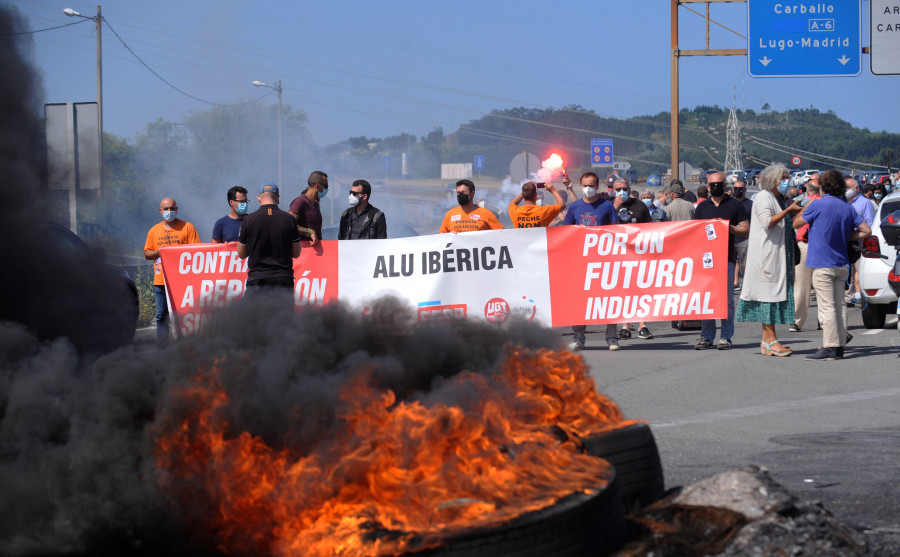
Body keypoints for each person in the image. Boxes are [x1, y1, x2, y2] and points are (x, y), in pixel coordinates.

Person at [792, 170, 871, 361]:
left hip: (822, 262)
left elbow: (796, 223)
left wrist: (808, 204)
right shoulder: (847, 207)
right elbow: (865, 230)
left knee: (826, 307)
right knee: (838, 305)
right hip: (841, 262)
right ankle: (839, 345)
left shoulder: (818, 205)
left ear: (823, 187)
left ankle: (830, 346)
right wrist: (846, 236)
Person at [737, 165, 803, 356]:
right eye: (783, 177)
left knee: (773, 295)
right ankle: (772, 340)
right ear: (773, 180)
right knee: (769, 297)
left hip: (777, 254)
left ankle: (767, 341)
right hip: (767, 256)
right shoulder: (765, 197)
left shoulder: (778, 198)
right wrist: (788, 210)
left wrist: (794, 212)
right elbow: (767, 222)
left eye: (788, 176)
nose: (787, 180)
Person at [692, 172, 750, 350]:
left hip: (726, 259)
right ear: (708, 187)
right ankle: (706, 336)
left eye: (719, 183)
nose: (716, 187)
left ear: (725, 186)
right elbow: (693, 232)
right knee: (706, 299)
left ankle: (726, 336)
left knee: (727, 300)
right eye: (712, 184)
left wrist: (728, 227)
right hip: (706, 260)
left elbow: (745, 229)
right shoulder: (701, 208)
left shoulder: (735, 205)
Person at [564, 172, 620, 351]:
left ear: (597, 186)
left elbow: (617, 232)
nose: (588, 188)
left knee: (608, 300)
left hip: (604, 262)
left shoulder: (607, 206)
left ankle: (612, 338)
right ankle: (579, 338)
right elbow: (565, 233)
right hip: (580, 263)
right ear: (581, 186)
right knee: (579, 301)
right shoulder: (574, 207)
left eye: (592, 185)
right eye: (585, 185)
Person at [143, 197, 201, 346]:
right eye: (166, 209)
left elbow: (198, 251)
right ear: (160, 211)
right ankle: (163, 349)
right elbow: (147, 253)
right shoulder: (154, 231)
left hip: (183, 281)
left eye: (172, 208)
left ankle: (186, 345)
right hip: (161, 281)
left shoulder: (187, 227)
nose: (169, 212)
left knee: (185, 315)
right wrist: (160, 252)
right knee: (161, 316)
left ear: (177, 209)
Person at [237, 182, 301, 303]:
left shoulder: (248, 220)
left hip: (257, 279)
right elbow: (296, 253)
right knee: (283, 320)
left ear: (259, 198)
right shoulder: (289, 219)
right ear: (278, 198)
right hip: (283, 279)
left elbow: (241, 254)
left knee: (255, 320)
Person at [612, 178, 654, 340]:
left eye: (624, 189)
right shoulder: (609, 205)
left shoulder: (639, 205)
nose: (621, 192)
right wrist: (614, 207)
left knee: (640, 290)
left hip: (638, 253)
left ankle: (642, 326)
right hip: (617, 254)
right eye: (617, 189)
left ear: (629, 189)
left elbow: (650, 228)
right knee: (623, 291)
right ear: (613, 190)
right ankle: (625, 327)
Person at [790, 173, 821, 332]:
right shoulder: (824, 202)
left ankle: (797, 321)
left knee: (801, 286)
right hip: (821, 247)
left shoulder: (801, 202)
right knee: (822, 285)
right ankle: (822, 320)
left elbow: (794, 222)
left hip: (804, 244)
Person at [843, 177, 875, 306]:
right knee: (847, 271)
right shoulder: (843, 202)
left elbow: (870, 223)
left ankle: (860, 296)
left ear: (856, 189)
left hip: (860, 241)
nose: (846, 191)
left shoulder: (865, 203)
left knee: (859, 270)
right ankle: (847, 296)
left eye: (848, 188)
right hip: (846, 242)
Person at [289, 171, 328, 245]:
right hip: (303, 252)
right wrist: (309, 231)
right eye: (325, 186)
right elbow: (288, 224)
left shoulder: (315, 204)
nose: (326, 189)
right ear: (317, 185)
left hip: (315, 252)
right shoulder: (300, 202)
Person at [732, 180, 753, 293]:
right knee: (733, 261)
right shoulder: (730, 203)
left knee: (746, 264)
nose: (738, 191)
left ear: (745, 190)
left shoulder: (750, 204)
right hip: (731, 238)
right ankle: (735, 282)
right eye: (736, 189)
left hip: (745, 239)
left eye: (740, 189)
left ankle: (748, 285)